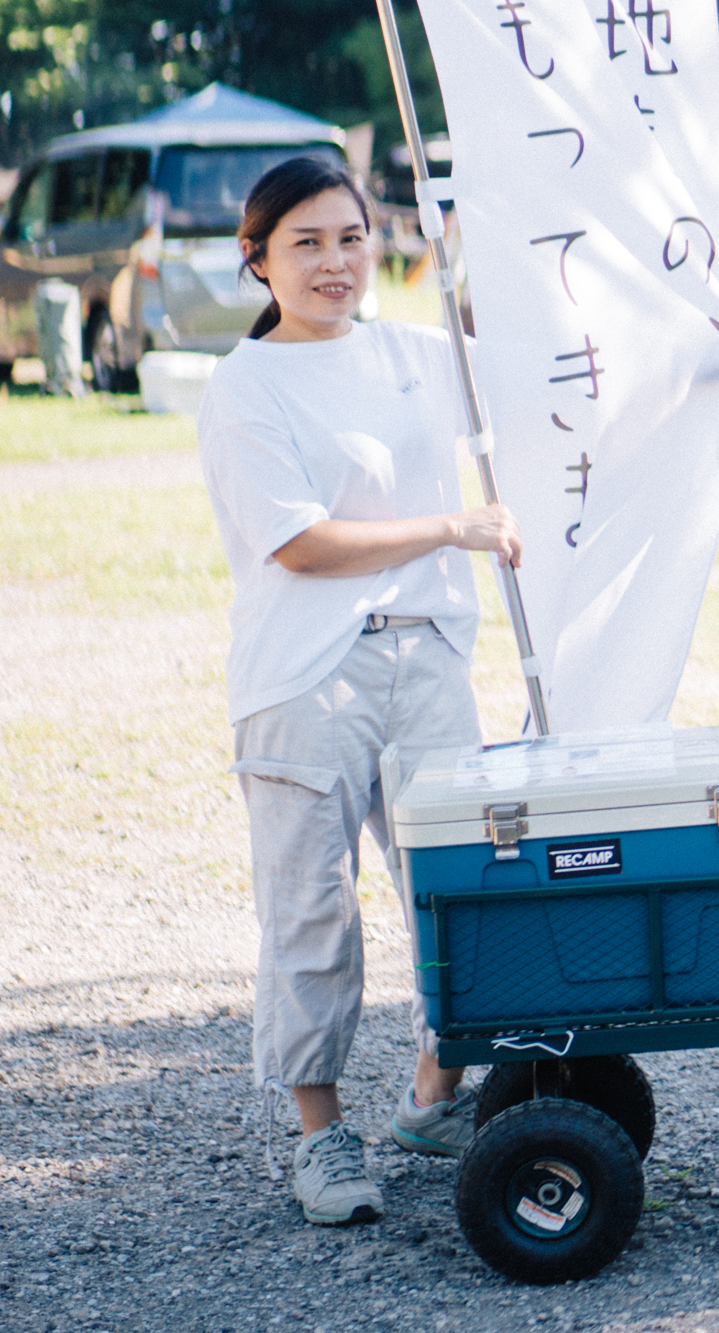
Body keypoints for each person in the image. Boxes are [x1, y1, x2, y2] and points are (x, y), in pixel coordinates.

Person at [197, 158, 523, 1224]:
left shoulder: (414, 353)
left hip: (426, 649)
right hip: (306, 676)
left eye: (351, 236)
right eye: (306, 242)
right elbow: (299, 542)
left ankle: (435, 1096)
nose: (336, 262)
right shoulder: (246, 386)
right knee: (313, 908)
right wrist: (452, 525)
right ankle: (321, 1134)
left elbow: (541, 370)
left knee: (465, 884)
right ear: (258, 259)